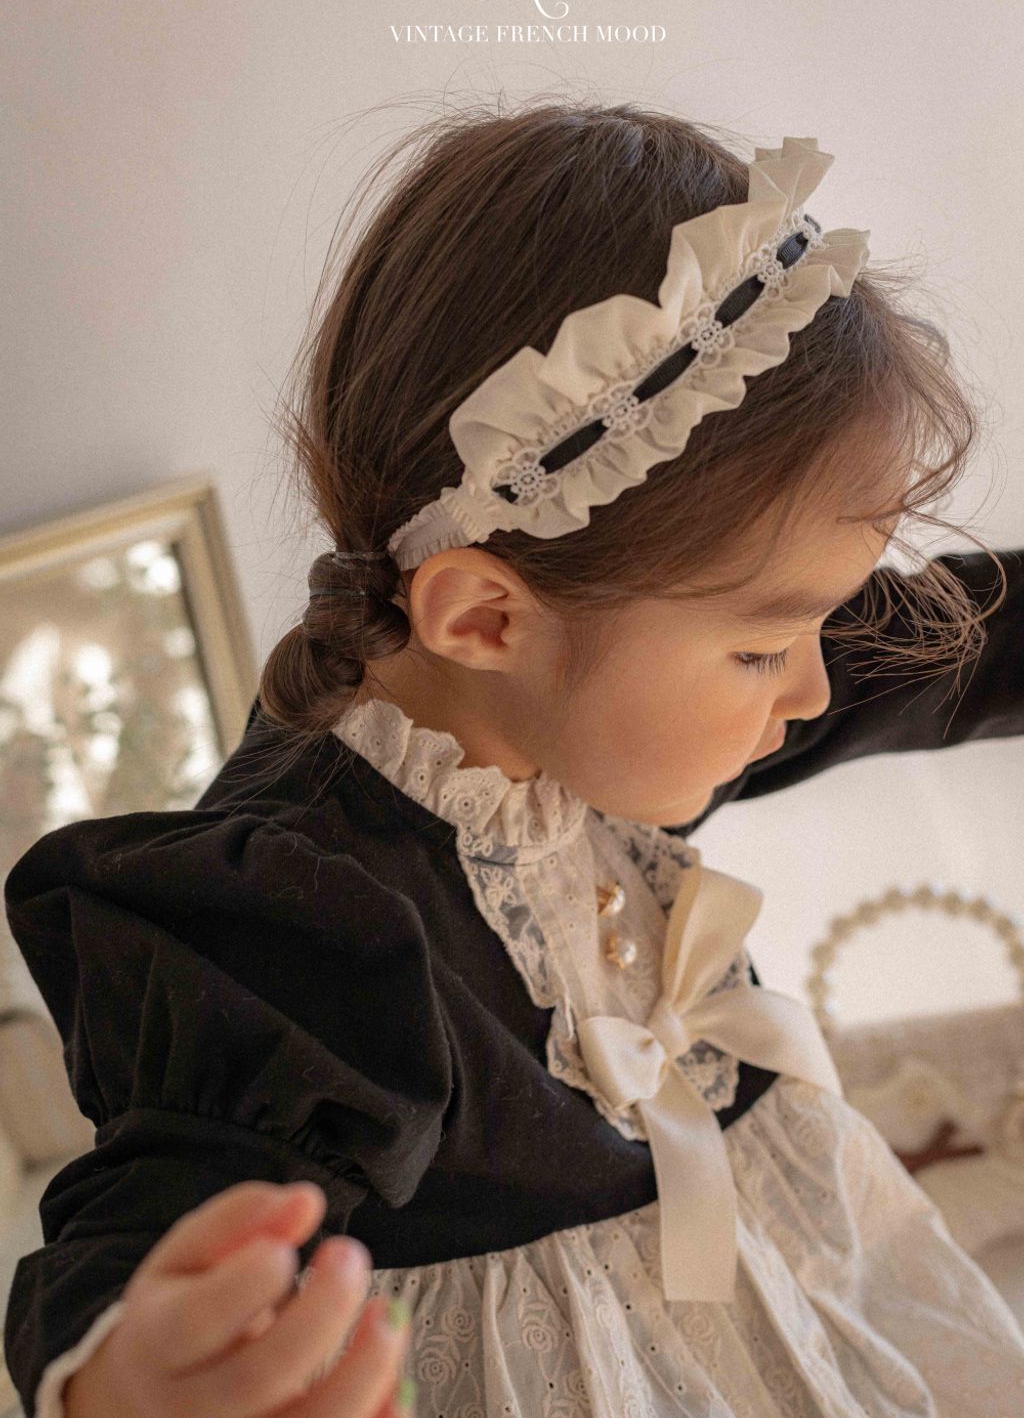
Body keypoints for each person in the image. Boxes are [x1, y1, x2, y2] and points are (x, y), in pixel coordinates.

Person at [5, 104, 1024, 1418]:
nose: (815, 684)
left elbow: (944, 655)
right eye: (766, 647)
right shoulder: (301, 916)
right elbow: (139, 1232)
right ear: (486, 616)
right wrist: (126, 1375)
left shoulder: (564, 699)